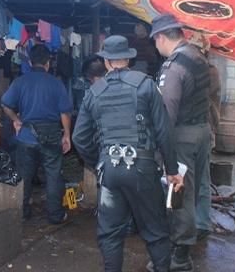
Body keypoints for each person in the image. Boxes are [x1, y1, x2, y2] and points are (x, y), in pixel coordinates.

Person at [72, 35, 184, 272]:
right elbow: (164, 131)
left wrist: (99, 163)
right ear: (128, 59)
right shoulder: (146, 84)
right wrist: (172, 171)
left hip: (110, 171)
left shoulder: (94, 92)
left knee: (110, 234)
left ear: (106, 61)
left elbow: (79, 138)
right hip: (143, 168)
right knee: (155, 231)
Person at [150, 14, 212, 271]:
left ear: (161, 37)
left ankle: (179, 257)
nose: (156, 47)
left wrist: (160, 152)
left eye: (155, 41)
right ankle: (185, 246)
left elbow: (167, 114)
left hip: (183, 136)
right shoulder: (198, 57)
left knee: (178, 194)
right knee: (192, 191)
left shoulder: (173, 67)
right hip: (202, 131)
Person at [2, 44, 72, 224]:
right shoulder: (56, 83)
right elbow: (65, 112)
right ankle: (55, 215)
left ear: (30, 62)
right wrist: (67, 135)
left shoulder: (20, 81)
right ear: (48, 63)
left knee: (24, 176)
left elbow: (6, 105)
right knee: (54, 175)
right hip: (51, 136)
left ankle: (23, 213)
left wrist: (15, 119)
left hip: (26, 136)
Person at [188, 33, 221, 240]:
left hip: (204, 128)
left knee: (200, 180)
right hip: (199, 129)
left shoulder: (209, 72)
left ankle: (201, 222)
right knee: (193, 178)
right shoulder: (204, 70)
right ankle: (195, 220)